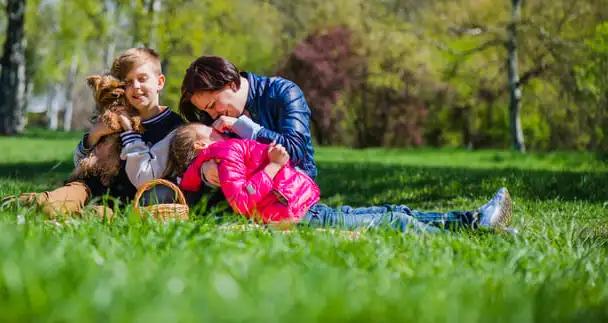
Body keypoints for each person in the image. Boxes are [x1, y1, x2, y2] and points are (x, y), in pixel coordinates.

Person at [170, 123, 514, 233]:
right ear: (201, 144)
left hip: (292, 208)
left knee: (395, 210)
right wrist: (273, 166)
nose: (220, 130)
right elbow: (243, 201)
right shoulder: (218, 159)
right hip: (295, 214)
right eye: (210, 131)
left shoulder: (213, 166)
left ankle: (471, 221)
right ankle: (475, 227)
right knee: (391, 220)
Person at [0, 47, 184, 219]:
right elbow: (81, 161)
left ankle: (53, 221)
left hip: (125, 203)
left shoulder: (172, 127)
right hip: (87, 186)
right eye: (128, 82)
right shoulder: (114, 112)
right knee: (49, 205)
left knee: (91, 217)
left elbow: (148, 177)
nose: (135, 87)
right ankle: (2, 205)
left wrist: (128, 131)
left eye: (142, 79)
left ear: (159, 82)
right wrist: (94, 135)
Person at [179, 56, 317, 178]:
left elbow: (295, 150)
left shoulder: (284, 92)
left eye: (213, 105)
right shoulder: (214, 115)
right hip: (243, 193)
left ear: (231, 84)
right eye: (205, 111)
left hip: (292, 190)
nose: (212, 115)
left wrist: (243, 128)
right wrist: (204, 170)